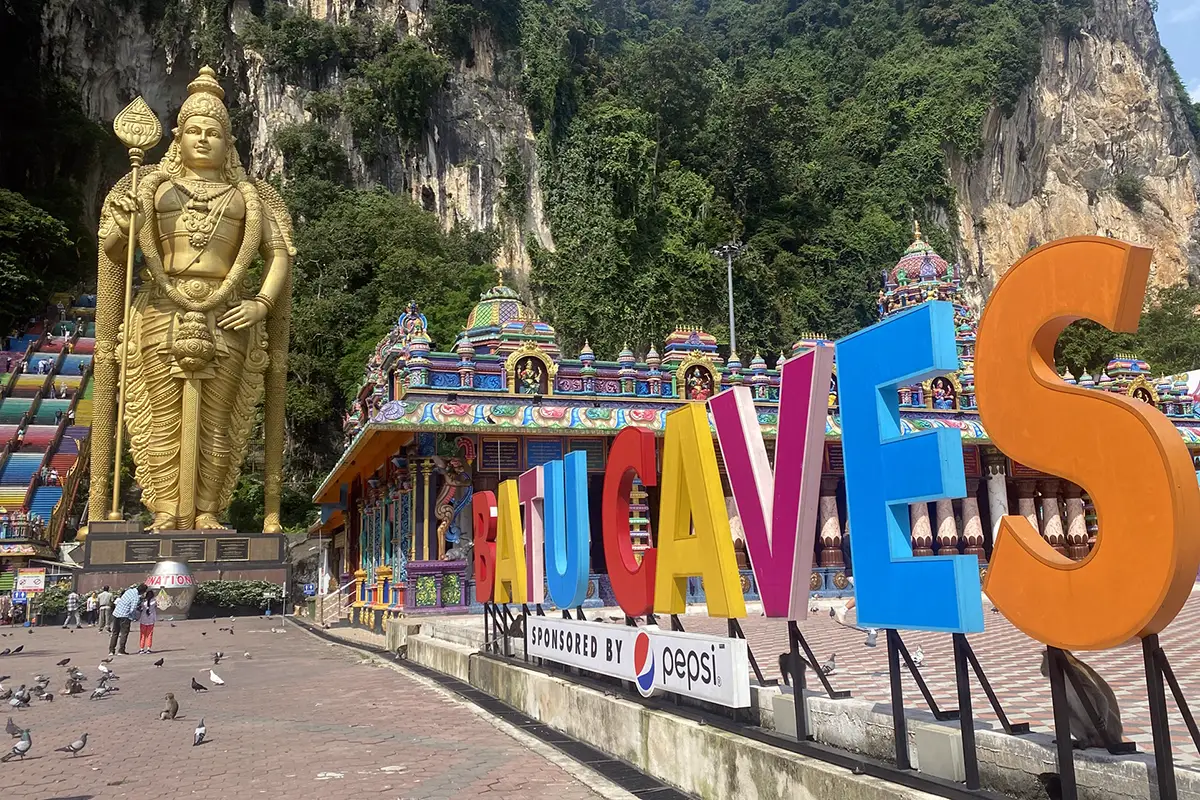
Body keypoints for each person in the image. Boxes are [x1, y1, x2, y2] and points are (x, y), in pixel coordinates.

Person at [109, 583, 145, 656]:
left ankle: (111, 650)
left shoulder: (129, 591)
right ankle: (121, 650)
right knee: (124, 633)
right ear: (142, 592)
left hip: (116, 613)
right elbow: (132, 609)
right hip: (125, 616)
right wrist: (134, 617)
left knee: (115, 633)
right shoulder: (136, 597)